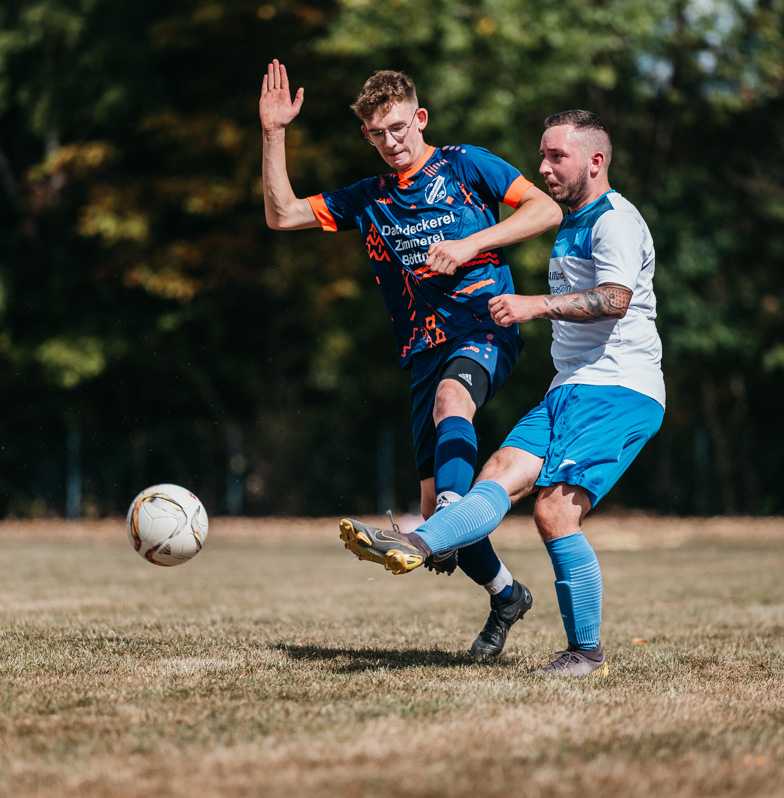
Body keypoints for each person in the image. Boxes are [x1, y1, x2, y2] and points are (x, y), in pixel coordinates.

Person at [339, 110, 665, 677]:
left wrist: (534, 305)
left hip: (619, 388)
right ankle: (422, 542)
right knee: (493, 477)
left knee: (553, 512)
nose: (543, 167)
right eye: (542, 155)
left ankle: (585, 652)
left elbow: (615, 298)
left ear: (596, 160)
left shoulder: (616, 220)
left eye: (555, 157)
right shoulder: (572, 222)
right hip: (570, 388)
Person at [260, 60, 563, 656]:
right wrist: (274, 134)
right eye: (377, 134)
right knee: (442, 522)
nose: (391, 142)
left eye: (399, 127)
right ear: (366, 136)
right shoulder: (369, 198)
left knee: (454, 416)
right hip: (422, 355)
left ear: (419, 118)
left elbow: (545, 211)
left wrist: (470, 244)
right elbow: (281, 213)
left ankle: (442, 521)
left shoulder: (465, 164)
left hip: (487, 326)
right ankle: (506, 594)